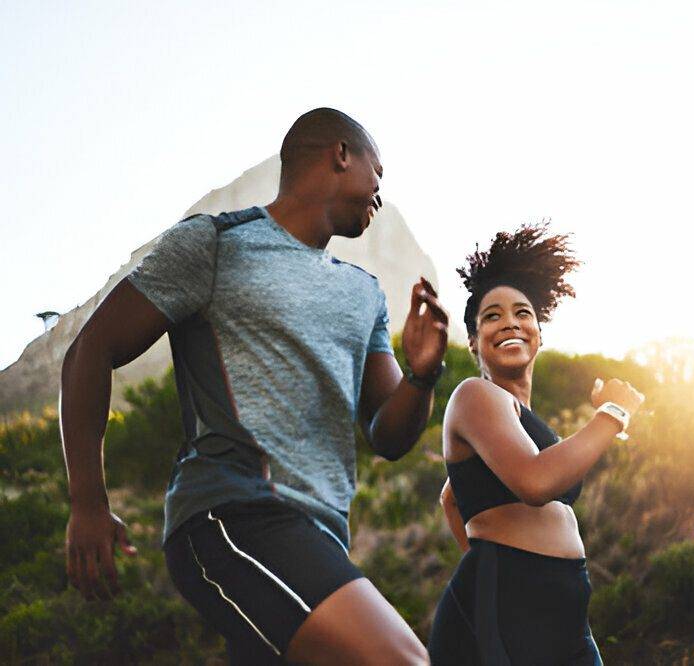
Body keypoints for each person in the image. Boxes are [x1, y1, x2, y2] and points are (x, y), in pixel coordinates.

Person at [60, 108, 448, 664]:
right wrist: (87, 503)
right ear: (341, 154)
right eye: (377, 174)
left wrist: (423, 373)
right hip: (233, 516)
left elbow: (388, 433)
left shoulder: (364, 293)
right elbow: (89, 352)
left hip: (321, 538)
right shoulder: (217, 243)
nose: (380, 194)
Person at [427, 223, 644, 665]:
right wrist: (613, 415)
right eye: (492, 315)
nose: (510, 321)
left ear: (539, 332)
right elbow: (535, 481)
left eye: (523, 313)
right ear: (472, 341)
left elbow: (453, 497)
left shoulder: (525, 421)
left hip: (565, 618)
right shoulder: (474, 395)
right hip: (509, 616)